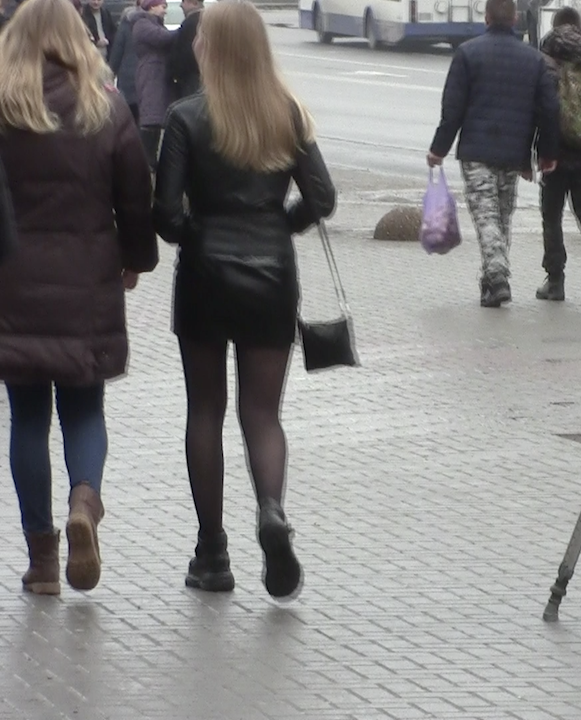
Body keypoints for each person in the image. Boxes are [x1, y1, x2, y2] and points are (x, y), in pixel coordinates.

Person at [153, 0, 336, 600]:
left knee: (204, 410)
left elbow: (165, 214)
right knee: (262, 413)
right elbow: (323, 197)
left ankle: (212, 554)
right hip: (271, 276)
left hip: (205, 275)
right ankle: (273, 511)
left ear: (209, 47)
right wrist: (281, 223)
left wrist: (196, 234)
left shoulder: (186, 117)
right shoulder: (286, 114)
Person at [0, 0, 158, 596]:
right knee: (84, 408)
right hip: (88, 281)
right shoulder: (105, 109)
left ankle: (42, 562)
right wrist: (137, 259)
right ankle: (85, 503)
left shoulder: (3, 109)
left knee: (28, 418)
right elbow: (134, 198)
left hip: (12, 281)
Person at [427, 0, 560, 308]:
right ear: (515, 19)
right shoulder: (534, 60)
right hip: (513, 153)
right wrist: (546, 153)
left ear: (485, 17)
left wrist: (438, 149)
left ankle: (497, 276)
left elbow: (452, 110)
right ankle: (491, 286)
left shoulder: (467, 54)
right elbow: (549, 110)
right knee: (501, 217)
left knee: (487, 216)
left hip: (477, 150)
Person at [533, 6, 581, 302]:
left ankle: (555, 281)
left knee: (551, 216)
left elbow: (539, 108)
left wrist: (535, 151)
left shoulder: (545, 59)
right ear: (578, 28)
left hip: (555, 152)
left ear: (554, 27)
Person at [131, 0, 174, 169]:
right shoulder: (142, 24)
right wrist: (185, 30)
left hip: (156, 74)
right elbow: (163, 38)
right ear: (152, 6)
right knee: (150, 118)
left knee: (155, 119)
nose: (165, 11)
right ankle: (143, 162)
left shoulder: (152, 24)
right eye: (163, 6)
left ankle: (150, 160)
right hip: (151, 75)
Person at [107, 0, 143, 125]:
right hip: (143, 78)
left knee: (129, 117)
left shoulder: (126, 23)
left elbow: (117, 51)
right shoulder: (154, 22)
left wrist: (110, 74)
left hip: (128, 76)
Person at [167, 0, 202, 99]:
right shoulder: (207, 21)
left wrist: (175, 72)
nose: (181, 5)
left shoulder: (191, 23)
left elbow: (184, 53)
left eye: (184, 1)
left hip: (191, 78)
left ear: (194, 3)